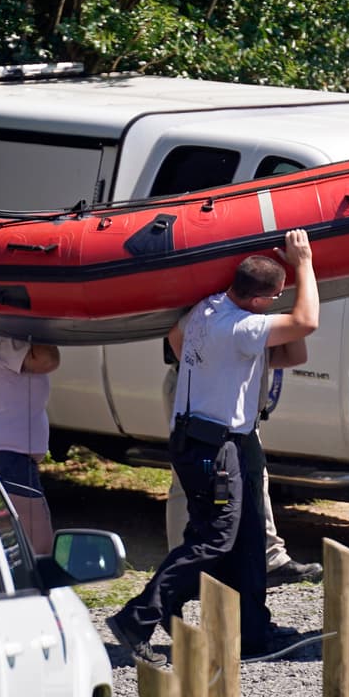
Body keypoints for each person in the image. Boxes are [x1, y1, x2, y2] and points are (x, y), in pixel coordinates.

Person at [107, 229, 319, 666]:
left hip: (220, 439)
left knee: (246, 538)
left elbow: (288, 352)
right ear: (260, 301)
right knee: (213, 540)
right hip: (212, 444)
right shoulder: (240, 327)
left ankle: (252, 632)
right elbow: (306, 324)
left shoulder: (207, 308)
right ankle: (138, 617)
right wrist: (304, 264)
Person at [162, 363, 322, 585]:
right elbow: (180, 343)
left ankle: (268, 559)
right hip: (202, 390)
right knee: (194, 480)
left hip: (235, 388)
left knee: (254, 473)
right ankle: (186, 571)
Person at [0, 330, 60, 551]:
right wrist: (42, 317)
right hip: (8, 458)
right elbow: (47, 359)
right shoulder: (6, 338)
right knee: (38, 550)